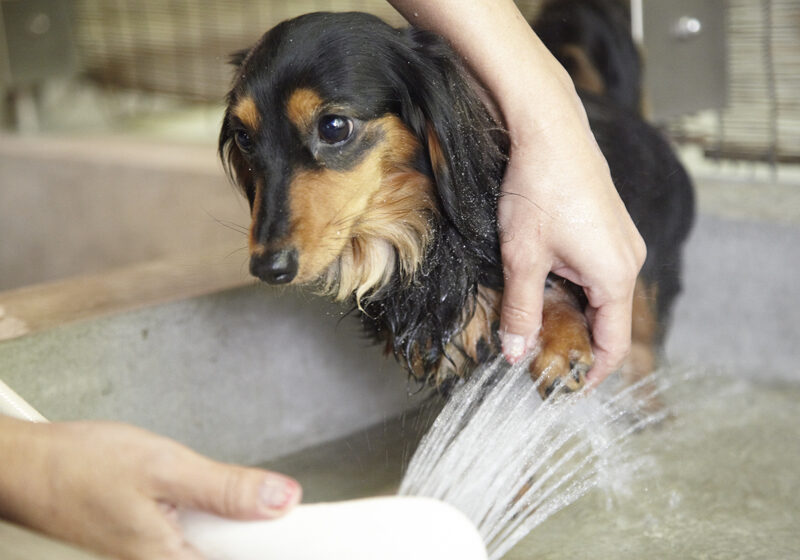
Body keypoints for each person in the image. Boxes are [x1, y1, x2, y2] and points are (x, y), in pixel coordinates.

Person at [0, 1, 645, 558]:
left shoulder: (489, 203)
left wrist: (561, 311)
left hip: (616, 177)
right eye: (254, 145)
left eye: (333, 130)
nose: (271, 237)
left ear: (430, 127)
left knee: (639, 358)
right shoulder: (378, 269)